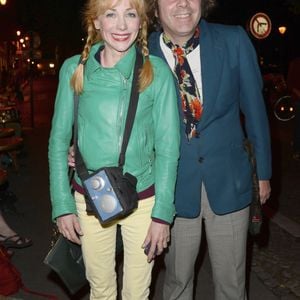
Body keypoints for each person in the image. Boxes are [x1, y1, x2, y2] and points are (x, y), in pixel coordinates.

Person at [48, 0, 180, 299]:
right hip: (91, 196)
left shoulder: (155, 72)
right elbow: (58, 141)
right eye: (111, 14)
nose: (121, 25)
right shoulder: (74, 69)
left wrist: (162, 214)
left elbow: (169, 148)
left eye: (130, 14)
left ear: (141, 22)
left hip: (144, 196)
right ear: (96, 22)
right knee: (101, 289)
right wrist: (62, 204)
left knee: (137, 292)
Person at [147, 0, 271, 299]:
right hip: (172, 188)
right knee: (177, 282)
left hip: (229, 181)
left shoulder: (233, 40)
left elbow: (255, 111)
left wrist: (263, 175)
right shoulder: (140, 52)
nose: (182, 4)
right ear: (154, 8)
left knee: (232, 284)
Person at [286, 57, 300, 161]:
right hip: (298, 100)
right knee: (298, 125)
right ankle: (296, 150)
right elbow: (290, 84)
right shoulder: (295, 63)